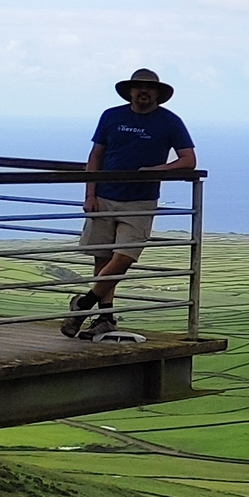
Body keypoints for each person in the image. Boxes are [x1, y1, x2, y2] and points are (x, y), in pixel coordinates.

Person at [66, 69, 197, 338]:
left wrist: (157, 169)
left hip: (140, 200)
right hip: (104, 196)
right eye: (138, 88)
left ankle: (83, 305)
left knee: (124, 258)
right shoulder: (111, 116)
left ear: (159, 94)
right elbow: (96, 155)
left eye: (149, 88)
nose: (143, 92)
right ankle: (105, 317)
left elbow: (188, 160)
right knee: (102, 259)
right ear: (130, 92)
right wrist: (89, 195)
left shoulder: (170, 122)